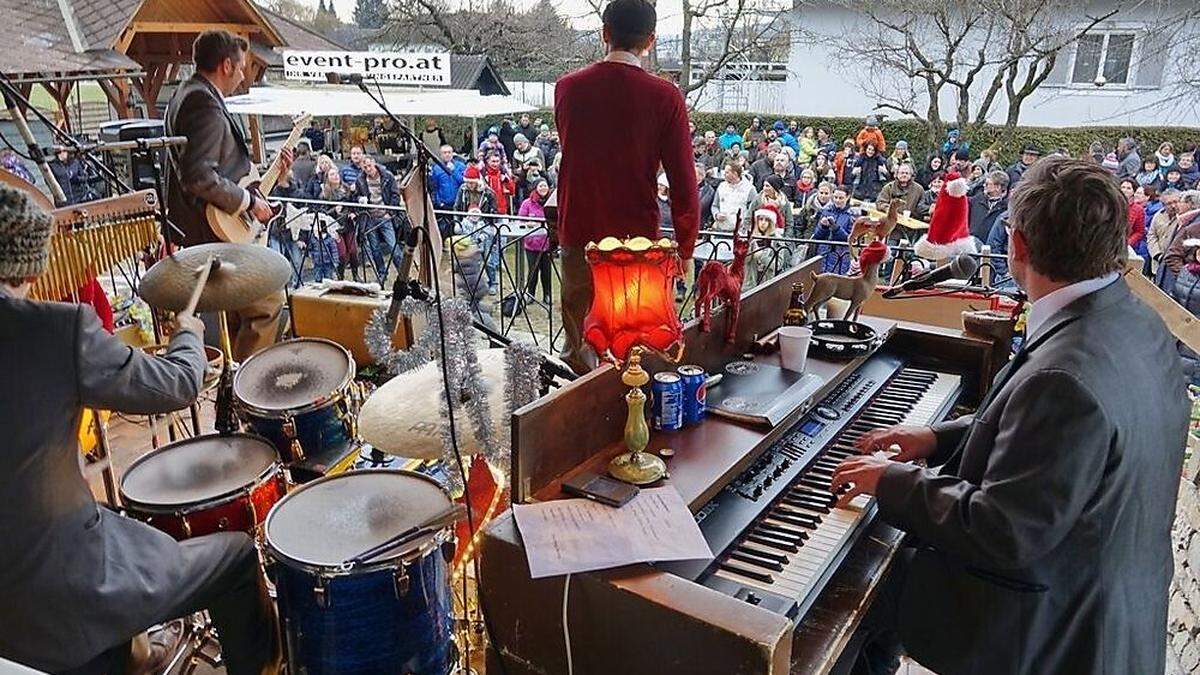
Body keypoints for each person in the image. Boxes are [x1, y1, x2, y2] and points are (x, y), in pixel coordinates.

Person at [831, 157, 1188, 675]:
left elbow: (1002, 529)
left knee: (856, 591)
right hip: (1109, 598)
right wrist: (935, 437)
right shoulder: (1131, 321)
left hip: (1055, 631)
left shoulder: (1063, 380)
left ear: (1017, 244)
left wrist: (892, 482)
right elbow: (1048, 446)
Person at [0, 184, 277, 675]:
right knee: (234, 557)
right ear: (31, 264)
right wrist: (189, 334)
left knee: (114, 518)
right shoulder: (53, 330)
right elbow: (175, 386)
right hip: (54, 596)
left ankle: (138, 652)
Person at [553, 0, 699, 374]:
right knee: (633, 340)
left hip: (579, 232)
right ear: (650, 40)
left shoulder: (567, 89)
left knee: (580, 341)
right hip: (635, 241)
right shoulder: (665, 97)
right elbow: (684, 179)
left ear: (605, 34)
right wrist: (685, 246)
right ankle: (629, 417)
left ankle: (578, 420)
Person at [164, 30, 290, 362]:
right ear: (225, 65)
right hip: (210, 233)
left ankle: (230, 391)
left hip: (208, 229)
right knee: (268, 303)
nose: (243, 74)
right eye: (242, 67)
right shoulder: (202, 102)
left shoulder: (187, 93)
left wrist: (272, 173)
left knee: (238, 313)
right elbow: (200, 176)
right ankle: (245, 391)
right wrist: (248, 203)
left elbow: (219, 168)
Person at [354, 157, 400, 282]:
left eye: (369, 166)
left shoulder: (387, 176)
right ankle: (381, 273)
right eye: (365, 167)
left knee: (393, 247)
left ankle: (403, 273)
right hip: (369, 216)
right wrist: (359, 199)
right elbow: (356, 195)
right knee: (374, 248)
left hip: (384, 215)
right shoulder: (360, 180)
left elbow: (395, 194)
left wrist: (390, 212)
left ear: (374, 163)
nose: (368, 169)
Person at [517, 179, 554, 303]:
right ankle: (530, 294)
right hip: (532, 243)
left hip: (547, 243)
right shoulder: (527, 203)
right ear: (535, 188)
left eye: (545, 186)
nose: (543, 188)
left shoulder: (552, 202)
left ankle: (547, 295)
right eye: (541, 186)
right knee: (533, 270)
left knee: (547, 271)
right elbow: (520, 220)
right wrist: (529, 224)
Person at [813, 185, 855, 274]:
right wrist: (823, 226)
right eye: (835, 197)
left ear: (847, 197)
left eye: (841, 198)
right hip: (823, 252)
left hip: (841, 254)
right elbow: (817, 235)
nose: (837, 200)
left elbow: (849, 238)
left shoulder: (851, 215)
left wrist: (836, 228)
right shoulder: (826, 211)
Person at [429, 144, 466, 238]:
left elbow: (463, 182)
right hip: (444, 204)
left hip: (458, 203)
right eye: (445, 153)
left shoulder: (460, 166)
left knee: (458, 229)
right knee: (445, 229)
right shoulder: (436, 168)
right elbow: (434, 187)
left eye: (449, 152)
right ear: (441, 155)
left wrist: (454, 171)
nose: (447, 155)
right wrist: (438, 202)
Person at [711, 160, 757, 232]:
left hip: (740, 231)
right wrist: (716, 214)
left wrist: (745, 224)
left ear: (735, 174)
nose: (724, 175)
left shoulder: (750, 189)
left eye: (727, 172)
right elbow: (714, 205)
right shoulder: (721, 186)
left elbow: (754, 210)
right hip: (721, 230)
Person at [1148, 188, 1184, 276]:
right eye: (1169, 203)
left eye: (1176, 202)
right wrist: (1157, 254)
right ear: (1163, 205)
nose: (1173, 206)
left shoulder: (1184, 218)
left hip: (1174, 265)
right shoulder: (1158, 216)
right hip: (1158, 262)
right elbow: (1151, 235)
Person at [967, 170, 1009, 243]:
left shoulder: (1006, 207)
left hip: (991, 248)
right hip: (972, 245)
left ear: (998, 187)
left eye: (987, 184)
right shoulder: (975, 200)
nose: (984, 186)